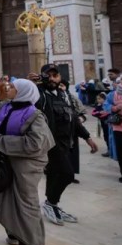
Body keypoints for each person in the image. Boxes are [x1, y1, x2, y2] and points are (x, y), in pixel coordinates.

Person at [0, 78, 54, 245]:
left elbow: (36, 144)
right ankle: (15, 233)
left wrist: (0, 141)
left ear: (23, 92)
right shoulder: (7, 107)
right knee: (8, 197)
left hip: (27, 165)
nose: (8, 89)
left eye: (12, 88)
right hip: (9, 161)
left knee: (26, 201)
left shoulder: (35, 115)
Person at [32, 64, 97, 226]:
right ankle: (50, 203)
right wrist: (32, 84)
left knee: (54, 174)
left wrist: (87, 137)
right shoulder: (39, 95)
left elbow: (73, 118)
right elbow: (25, 98)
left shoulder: (63, 95)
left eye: (55, 75)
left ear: (60, 77)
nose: (52, 79)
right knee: (67, 174)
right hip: (50, 144)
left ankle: (51, 204)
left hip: (65, 142)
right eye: (48, 75)